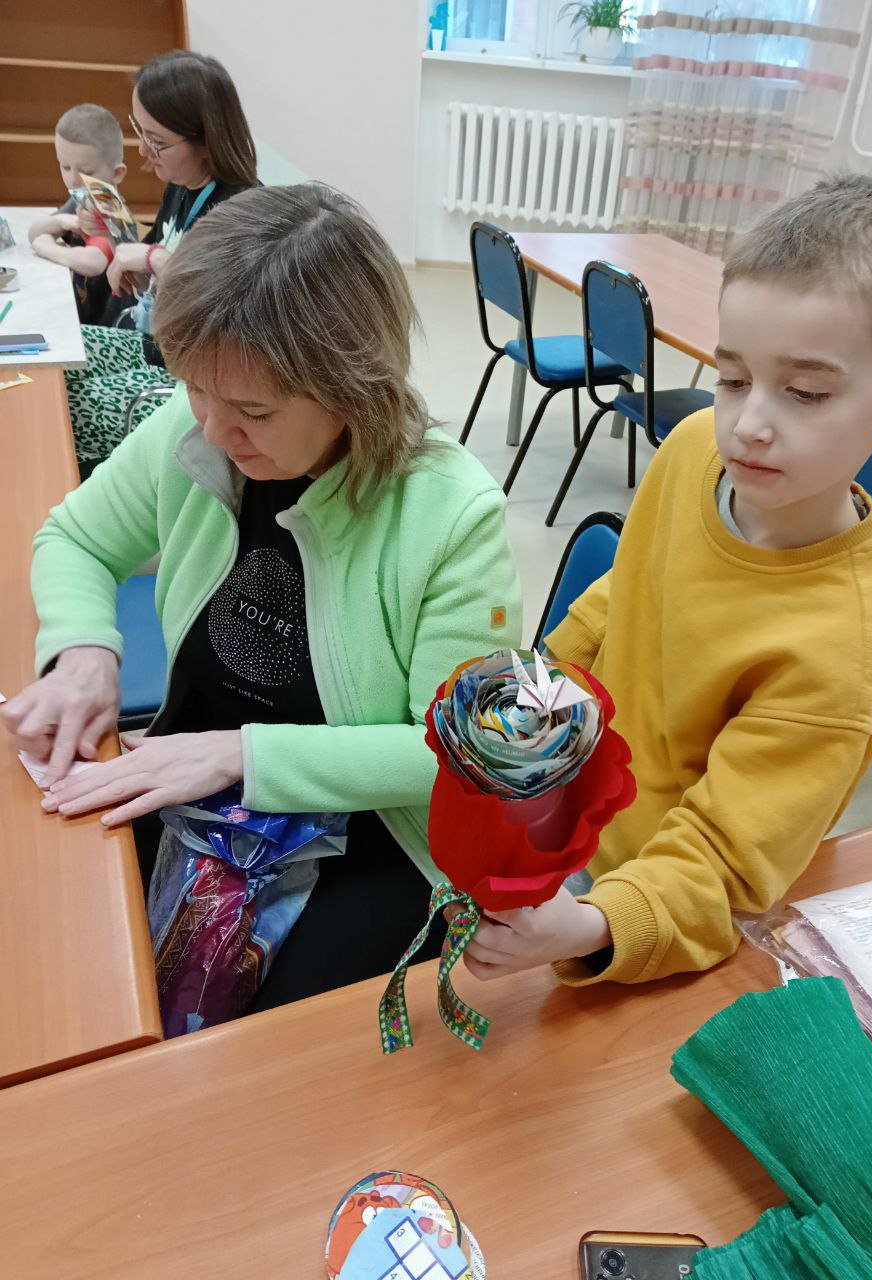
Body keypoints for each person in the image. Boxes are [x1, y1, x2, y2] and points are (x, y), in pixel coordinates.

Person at [1, 183, 522, 1007]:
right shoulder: (198, 426)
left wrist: (240, 755)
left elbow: (454, 754)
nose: (213, 431)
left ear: (353, 391)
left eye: (253, 411)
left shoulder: (451, 515)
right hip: (194, 772)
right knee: (57, 942)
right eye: (195, 390)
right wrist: (83, 650)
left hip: (369, 829)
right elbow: (76, 538)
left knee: (248, 1040)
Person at [456, 173, 872, 987]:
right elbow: (625, 594)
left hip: (638, 905)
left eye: (805, 392)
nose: (748, 424)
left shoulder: (843, 653)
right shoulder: (695, 446)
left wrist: (586, 924)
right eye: (731, 379)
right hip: (565, 820)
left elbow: (722, 868)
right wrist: (536, 697)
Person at [64, 49, 258, 478]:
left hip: (192, 384)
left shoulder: (242, 211)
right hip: (153, 347)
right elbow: (144, 274)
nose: (142, 151)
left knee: (71, 405)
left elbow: (228, 315)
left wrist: (157, 259)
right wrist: (118, 239)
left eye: (157, 142)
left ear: (207, 141)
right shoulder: (181, 187)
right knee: (59, 361)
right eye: (140, 131)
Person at [28, 104, 129, 327]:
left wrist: (47, 247)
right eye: (65, 167)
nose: (73, 180)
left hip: (104, 327)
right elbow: (34, 231)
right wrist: (63, 221)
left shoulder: (110, 207)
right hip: (81, 314)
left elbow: (92, 263)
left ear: (116, 173)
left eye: (86, 171)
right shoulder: (82, 197)